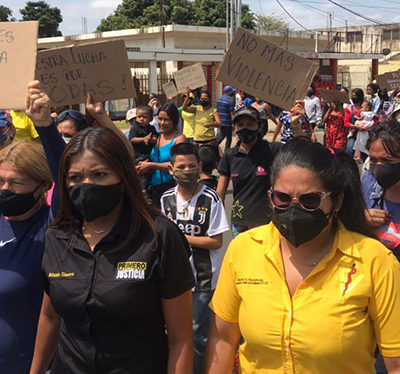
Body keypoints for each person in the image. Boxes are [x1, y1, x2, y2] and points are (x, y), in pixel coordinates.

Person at [206, 138, 400, 374]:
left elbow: (396, 362)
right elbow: (224, 340)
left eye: (310, 200)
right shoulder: (243, 249)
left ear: (337, 200)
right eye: (282, 198)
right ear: (270, 196)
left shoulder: (375, 261)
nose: (294, 209)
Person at [29, 129, 195, 374]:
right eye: (75, 178)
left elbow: (180, 339)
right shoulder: (57, 237)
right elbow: (50, 317)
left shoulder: (159, 236)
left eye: (99, 175)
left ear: (123, 176)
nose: (86, 186)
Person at [0, 81, 65, 374]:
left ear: (42, 187)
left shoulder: (50, 228)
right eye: (0, 181)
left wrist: (45, 125)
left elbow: (66, 176)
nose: (5, 189)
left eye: (15, 183)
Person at [160, 143, 229, 374]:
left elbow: (216, 241)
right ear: (171, 169)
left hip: (203, 279)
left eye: (192, 166)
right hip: (175, 279)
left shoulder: (211, 199)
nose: (187, 170)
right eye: (181, 166)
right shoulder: (166, 199)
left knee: (199, 334)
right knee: (176, 333)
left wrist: (180, 236)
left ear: (200, 167)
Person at [217, 106, 274, 237]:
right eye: (240, 124)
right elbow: (220, 195)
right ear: (234, 128)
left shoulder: (271, 150)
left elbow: (302, 151)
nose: (245, 128)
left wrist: (296, 126)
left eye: (250, 124)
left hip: (267, 224)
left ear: (259, 127)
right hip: (239, 225)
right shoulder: (230, 155)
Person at [362, 120, 400, 260]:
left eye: (387, 161)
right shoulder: (368, 182)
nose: (378, 167)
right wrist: (361, 219)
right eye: (373, 160)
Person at [137, 103, 186, 206]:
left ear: (174, 120)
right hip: (153, 190)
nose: (162, 123)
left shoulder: (179, 139)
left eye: (166, 119)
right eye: (160, 119)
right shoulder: (156, 138)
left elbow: (178, 166)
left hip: (171, 190)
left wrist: (151, 165)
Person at [344, 88, 364, 156]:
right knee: (349, 151)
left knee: (364, 154)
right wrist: (356, 127)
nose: (353, 97)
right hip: (353, 134)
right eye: (352, 95)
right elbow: (346, 123)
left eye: (355, 96)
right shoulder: (348, 109)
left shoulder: (365, 108)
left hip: (363, 134)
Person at [216, 86, 235, 151]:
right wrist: (233, 123)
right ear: (229, 92)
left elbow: (217, 110)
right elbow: (232, 113)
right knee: (229, 138)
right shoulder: (230, 101)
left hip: (220, 121)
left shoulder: (219, 99)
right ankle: (226, 151)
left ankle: (214, 146)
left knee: (222, 135)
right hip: (228, 122)